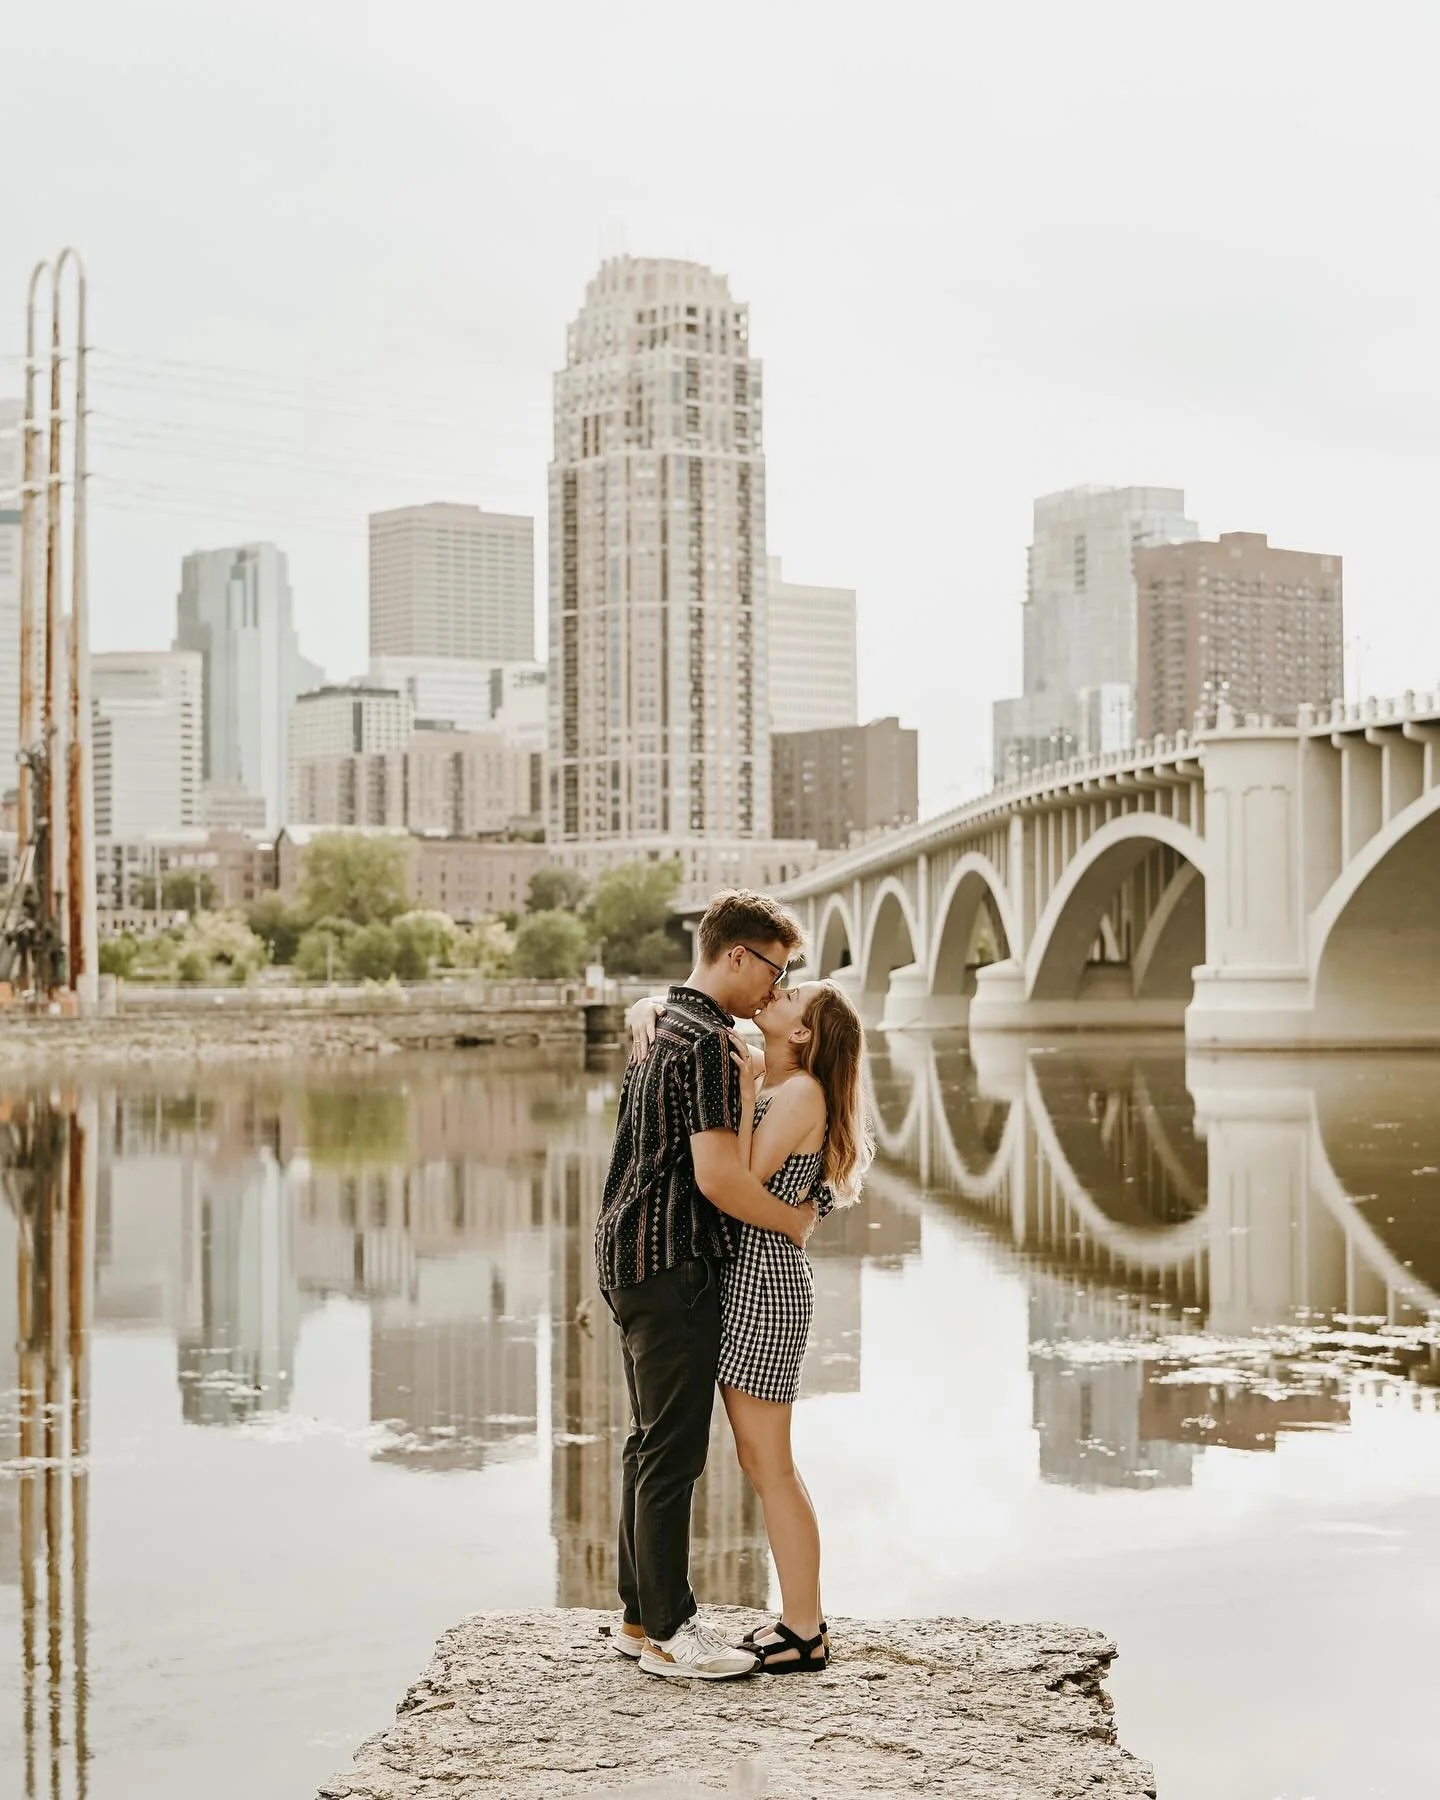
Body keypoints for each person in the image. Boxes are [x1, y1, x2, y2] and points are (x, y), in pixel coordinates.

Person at [594, 889, 815, 1681]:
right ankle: (669, 1631)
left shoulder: (667, 1024)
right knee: (675, 1452)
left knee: (648, 1443)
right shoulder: (711, 1045)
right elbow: (719, 1178)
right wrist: (793, 1221)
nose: (775, 987)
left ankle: (633, 1617)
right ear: (735, 956)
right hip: (676, 1259)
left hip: (627, 1254)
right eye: (775, 969)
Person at [626, 975, 873, 1675]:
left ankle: (805, 1630)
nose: (778, 990)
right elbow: (690, 1023)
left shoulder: (798, 1093)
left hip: (765, 1279)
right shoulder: (772, 1070)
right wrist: (646, 1006)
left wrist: (736, 1103)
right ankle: (800, 1621)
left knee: (771, 1465)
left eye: (795, 996)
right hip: (747, 1275)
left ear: (804, 1034)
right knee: (759, 1462)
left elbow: (740, 1179)